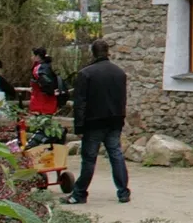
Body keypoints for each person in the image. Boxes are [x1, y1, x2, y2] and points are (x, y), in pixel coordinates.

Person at [64, 39, 130, 204]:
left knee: (89, 159)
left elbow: (80, 103)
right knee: (116, 155)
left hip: (94, 122)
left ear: (93, 53)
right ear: (108, 52)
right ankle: (123, 192)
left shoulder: (86, 74)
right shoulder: (119, 73)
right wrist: (120, 118)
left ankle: (79, 194)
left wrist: (78, 127)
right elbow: (122, 99)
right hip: (114, 120)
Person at [29, 47, 60, 115]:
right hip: (47, 99)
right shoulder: (46, 65)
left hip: (42, 99)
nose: (32, 57)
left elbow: (45, 81)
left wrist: (50, 91)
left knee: (41, 120)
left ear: (37, 57)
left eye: (33, 55)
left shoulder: (39, 68)